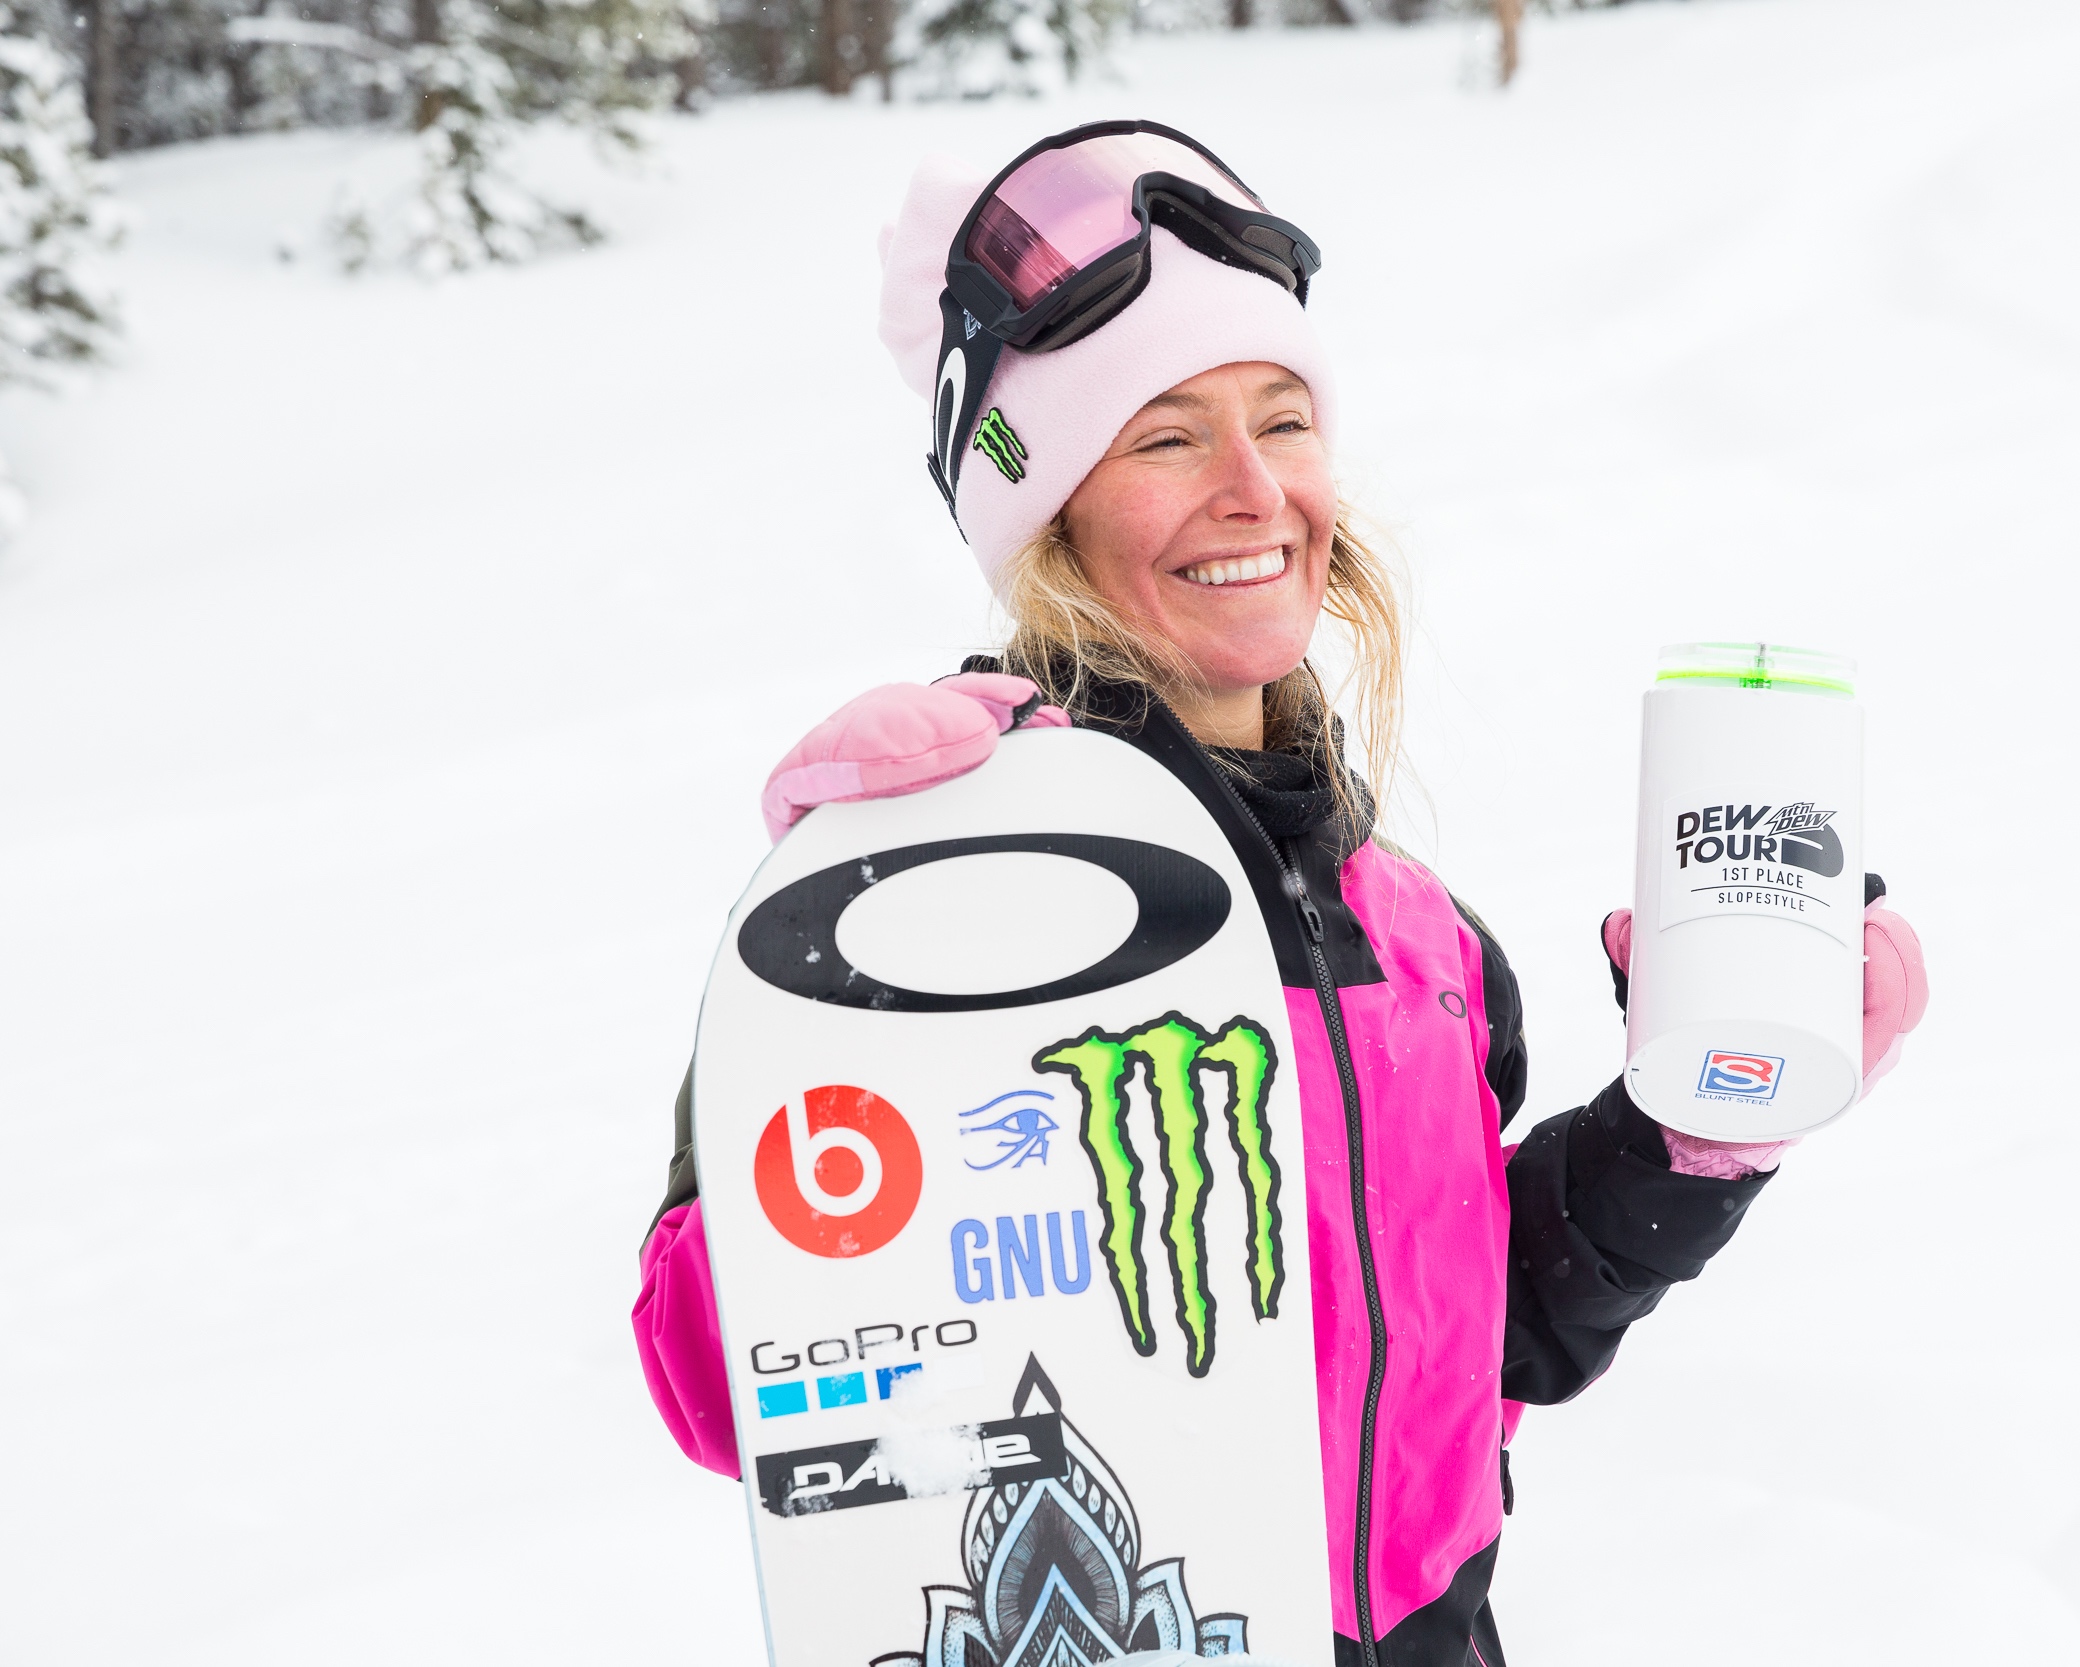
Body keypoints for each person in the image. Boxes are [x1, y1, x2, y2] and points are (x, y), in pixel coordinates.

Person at [633, 121, 1930, 1667]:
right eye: (1164, 437)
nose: (1255, 490)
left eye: (1285, 420)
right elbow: (727, 1393)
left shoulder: (1419, 938)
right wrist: (831, 999)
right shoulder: (958, 897)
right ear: (1045, 515)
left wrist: (1696, 1128)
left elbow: (1487, 1339)